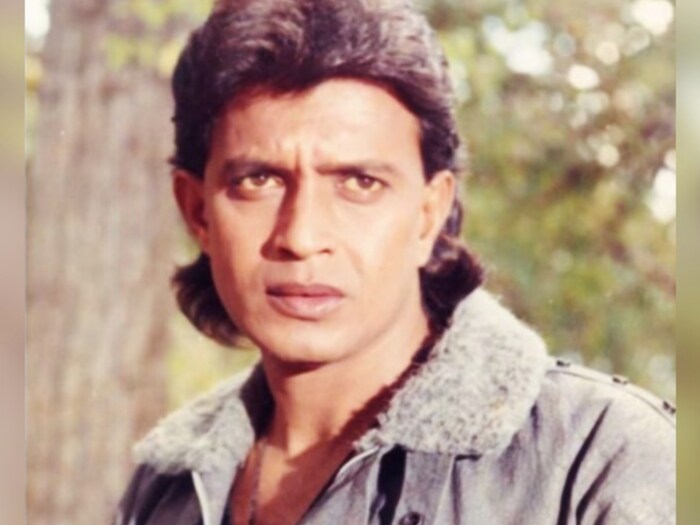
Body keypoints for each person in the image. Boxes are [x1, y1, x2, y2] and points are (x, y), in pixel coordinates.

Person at [114, 0, 676, 524]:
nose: (302, 237)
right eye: (258, 180)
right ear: (197, 211)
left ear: (430, 213)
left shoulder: (603, 457)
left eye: (360, 182)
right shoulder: (167, 484)